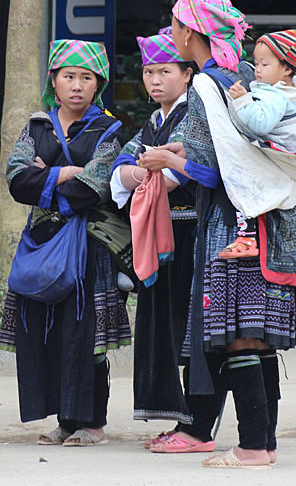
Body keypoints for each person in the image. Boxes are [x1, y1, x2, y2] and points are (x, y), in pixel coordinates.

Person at [139, 0, 296, 469]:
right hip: (274, 219)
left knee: (240, 334)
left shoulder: (204, 84)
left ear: (189, 31)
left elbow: (214, 169)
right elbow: (234, 150)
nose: (173, 35)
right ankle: (263, 443)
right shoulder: (246, 74)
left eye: (176, 26)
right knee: (257, 336)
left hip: (232, 225)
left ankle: (253, 448)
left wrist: (163, 158)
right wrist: (180, 154)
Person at [0, 39, 131, 447]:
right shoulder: (37, 125)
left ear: (98, 84)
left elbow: (94, 188)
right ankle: (65, 420)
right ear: (53, 81)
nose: (76, 85)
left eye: (86, 78)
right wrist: (64, 173)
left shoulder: (109, 130)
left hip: (92, 247)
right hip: (43, 244)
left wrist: (49, 175)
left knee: (86, 336)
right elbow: (16, 178)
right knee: (47, 331)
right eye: (68, 76)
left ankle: (92, 423)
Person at [109, 30, 215, 454]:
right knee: (166, 332)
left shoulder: (193, 117)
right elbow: (120, 169)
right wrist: (141, 173)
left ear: (187, 74)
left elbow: (176, 176)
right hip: (157, 235)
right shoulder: (154, 123)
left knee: (190, 333)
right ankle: (181, 421)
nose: (154, 80)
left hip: (190, 235)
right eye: (149, 72)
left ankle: (197, 426)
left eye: (165, 71)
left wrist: (145, 172)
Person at [219, 27, 296, 259]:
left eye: (264, 65)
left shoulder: (275, 95)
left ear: (287, 69)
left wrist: (242, 100)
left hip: (276, 155)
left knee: (245, 186)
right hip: (287, 154)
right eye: (256, 63)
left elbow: (260, 124)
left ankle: (247, 238)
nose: (257, 70)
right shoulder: (284, 90)